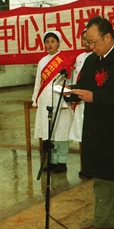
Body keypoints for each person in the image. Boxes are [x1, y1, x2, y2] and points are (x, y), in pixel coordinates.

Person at [67, 16, 114, 229]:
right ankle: (102, 221)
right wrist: (69, 92)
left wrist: (94, 97)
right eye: (88, 42)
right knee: (101, 178)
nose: (90, 46)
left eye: (94, 42)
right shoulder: (90, 61)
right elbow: (84, 85)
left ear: (108, 37)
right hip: (96, 127)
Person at [32, 30, 73, 174]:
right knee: (49, 132)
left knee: (61, 132)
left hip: (59, 100)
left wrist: (65, 99)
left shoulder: (64, 59)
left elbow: (69, 82)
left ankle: (62, 161)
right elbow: (38, 81)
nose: (49, 45)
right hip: (45, 100)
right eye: (47, 42)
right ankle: (52, 161)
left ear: (58, 43)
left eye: (52, 41)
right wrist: (35, 98)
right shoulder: (42, 61)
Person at [69, 29, 92, 177]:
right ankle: (85, 166)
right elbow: (73, 80)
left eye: (89, 39)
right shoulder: (78, 58)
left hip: (94, 101)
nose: (87, 42)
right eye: (84, 39)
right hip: (80, 102)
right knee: (81, 136)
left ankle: (95, 166)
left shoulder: (100, 56)